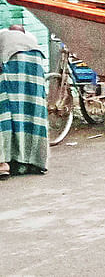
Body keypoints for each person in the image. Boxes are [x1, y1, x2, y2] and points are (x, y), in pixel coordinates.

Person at [0, 25, 48, 179]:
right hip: (35, 67)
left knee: (5, 112)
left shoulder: (3, 35)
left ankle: (3, 163)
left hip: (11, 64)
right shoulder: (32, 38)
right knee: (32, 112)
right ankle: (34, 161)